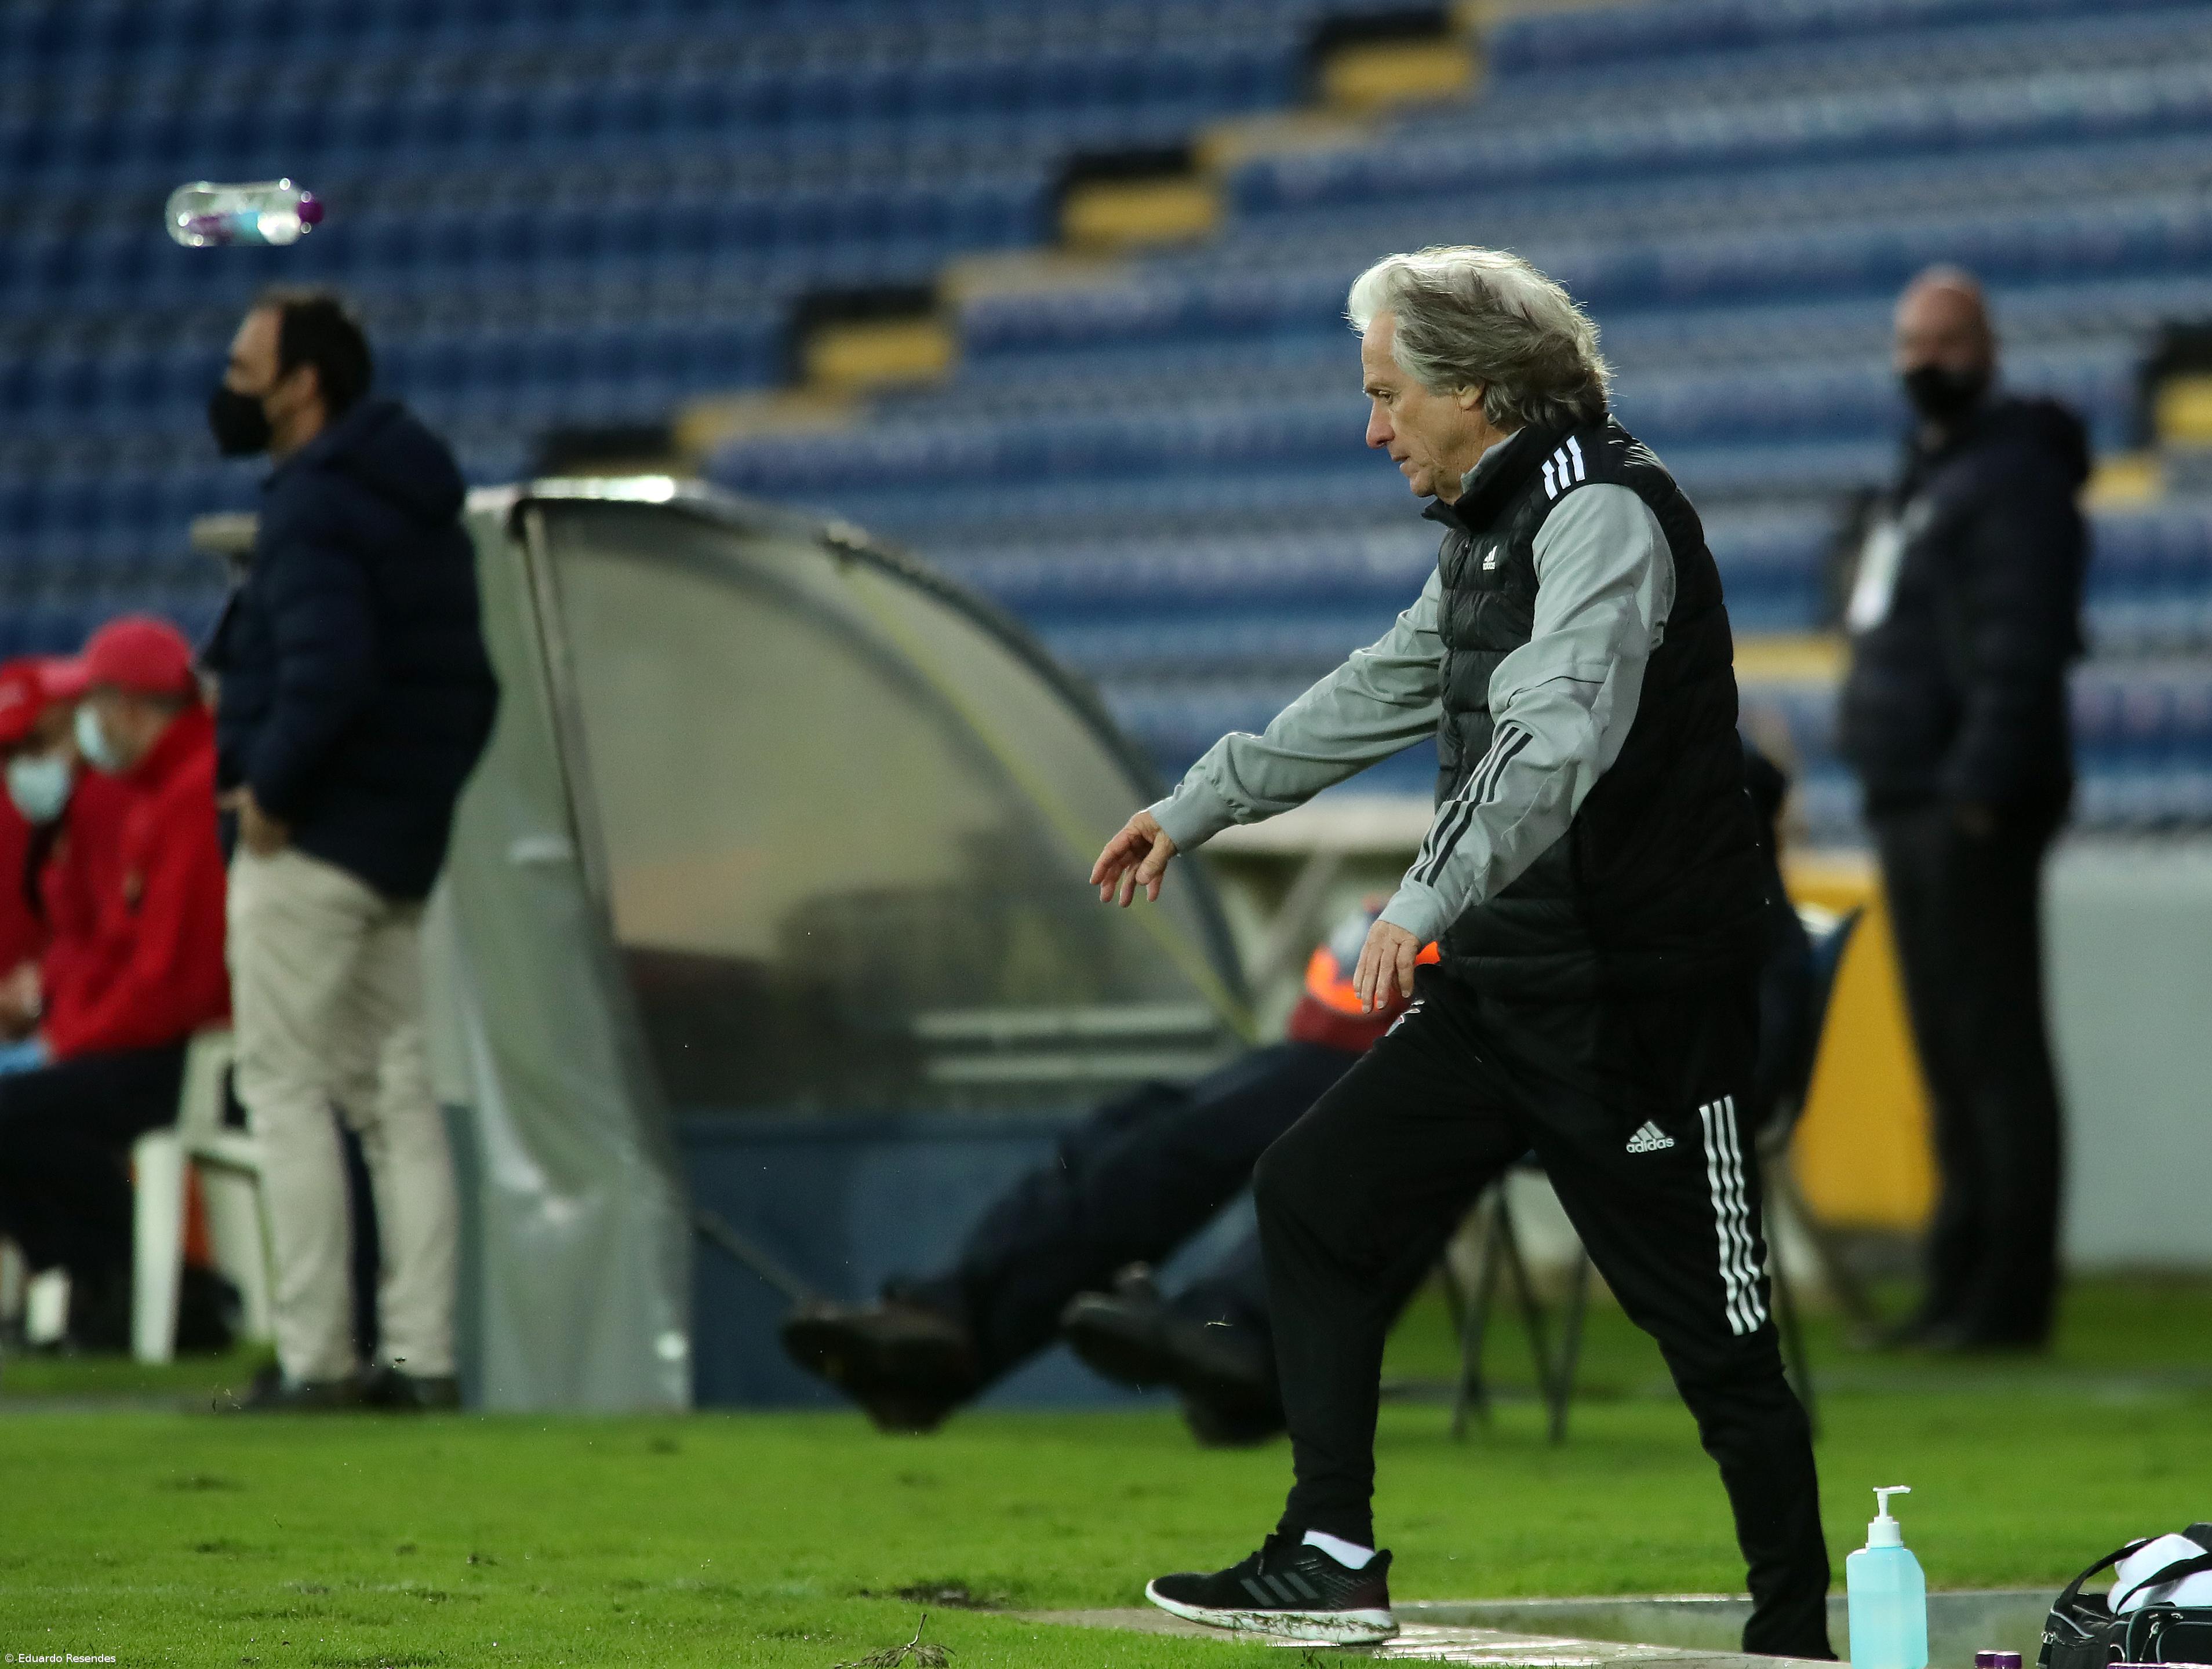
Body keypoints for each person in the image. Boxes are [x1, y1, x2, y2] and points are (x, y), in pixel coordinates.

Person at [1091, 247, 1831, 1655]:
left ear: (1478, 390)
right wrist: (1193, 807)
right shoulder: (1491, 522)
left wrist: (1420, 898)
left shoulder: (1604, 514)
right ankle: (1329, 1552)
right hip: (1510, 992)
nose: (1373, 428)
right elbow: (1385, 684)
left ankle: (1793, 1636)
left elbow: (1553, 740)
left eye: (1389, 394)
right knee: (1312, 1188)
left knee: (1720, 1347)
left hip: (1639, 1016)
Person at [779, 902, 1433, 1444]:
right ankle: (946, 1336)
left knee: (1232, 1134)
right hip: (1377, 1038)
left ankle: (1239, 1338)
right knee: (1138, 1127)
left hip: (1450, 1062)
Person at [201, 287, 499, 1412]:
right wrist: (410, 815)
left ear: (302, 386)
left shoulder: (316, 505)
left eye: (245, 371)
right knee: (395, 1101)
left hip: (312, 846)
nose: (229, 391)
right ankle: (421, 1360)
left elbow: (329, 673)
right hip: (396, 853)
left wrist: (273, 796)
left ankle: (316, 1359)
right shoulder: (416, 504)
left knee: (284, 1091)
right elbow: (473, 690)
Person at [1838, 267, 2085, 1354]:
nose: (1924, 361)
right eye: (1911, 343)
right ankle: (1956, 1284)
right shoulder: (1929, 475)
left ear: (1986, 347)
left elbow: (2022, 644)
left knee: (1994, 1054)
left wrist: (1981, 790)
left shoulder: (2012, 474)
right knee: (1948, 1055)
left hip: (1968, 802)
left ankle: (2006, 1299)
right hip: (1912, 795)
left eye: (1944, 341)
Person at [0, 618, 231, 1347]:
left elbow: (173, 983)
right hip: (150, 1037)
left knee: (24, 1115)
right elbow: (111, 951)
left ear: (125, 706)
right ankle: (117, 1286)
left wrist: (72, 1037)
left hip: (185, 1050)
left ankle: (156, 1288)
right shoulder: (157, 792)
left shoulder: (183, 796)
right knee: (27, 1117)